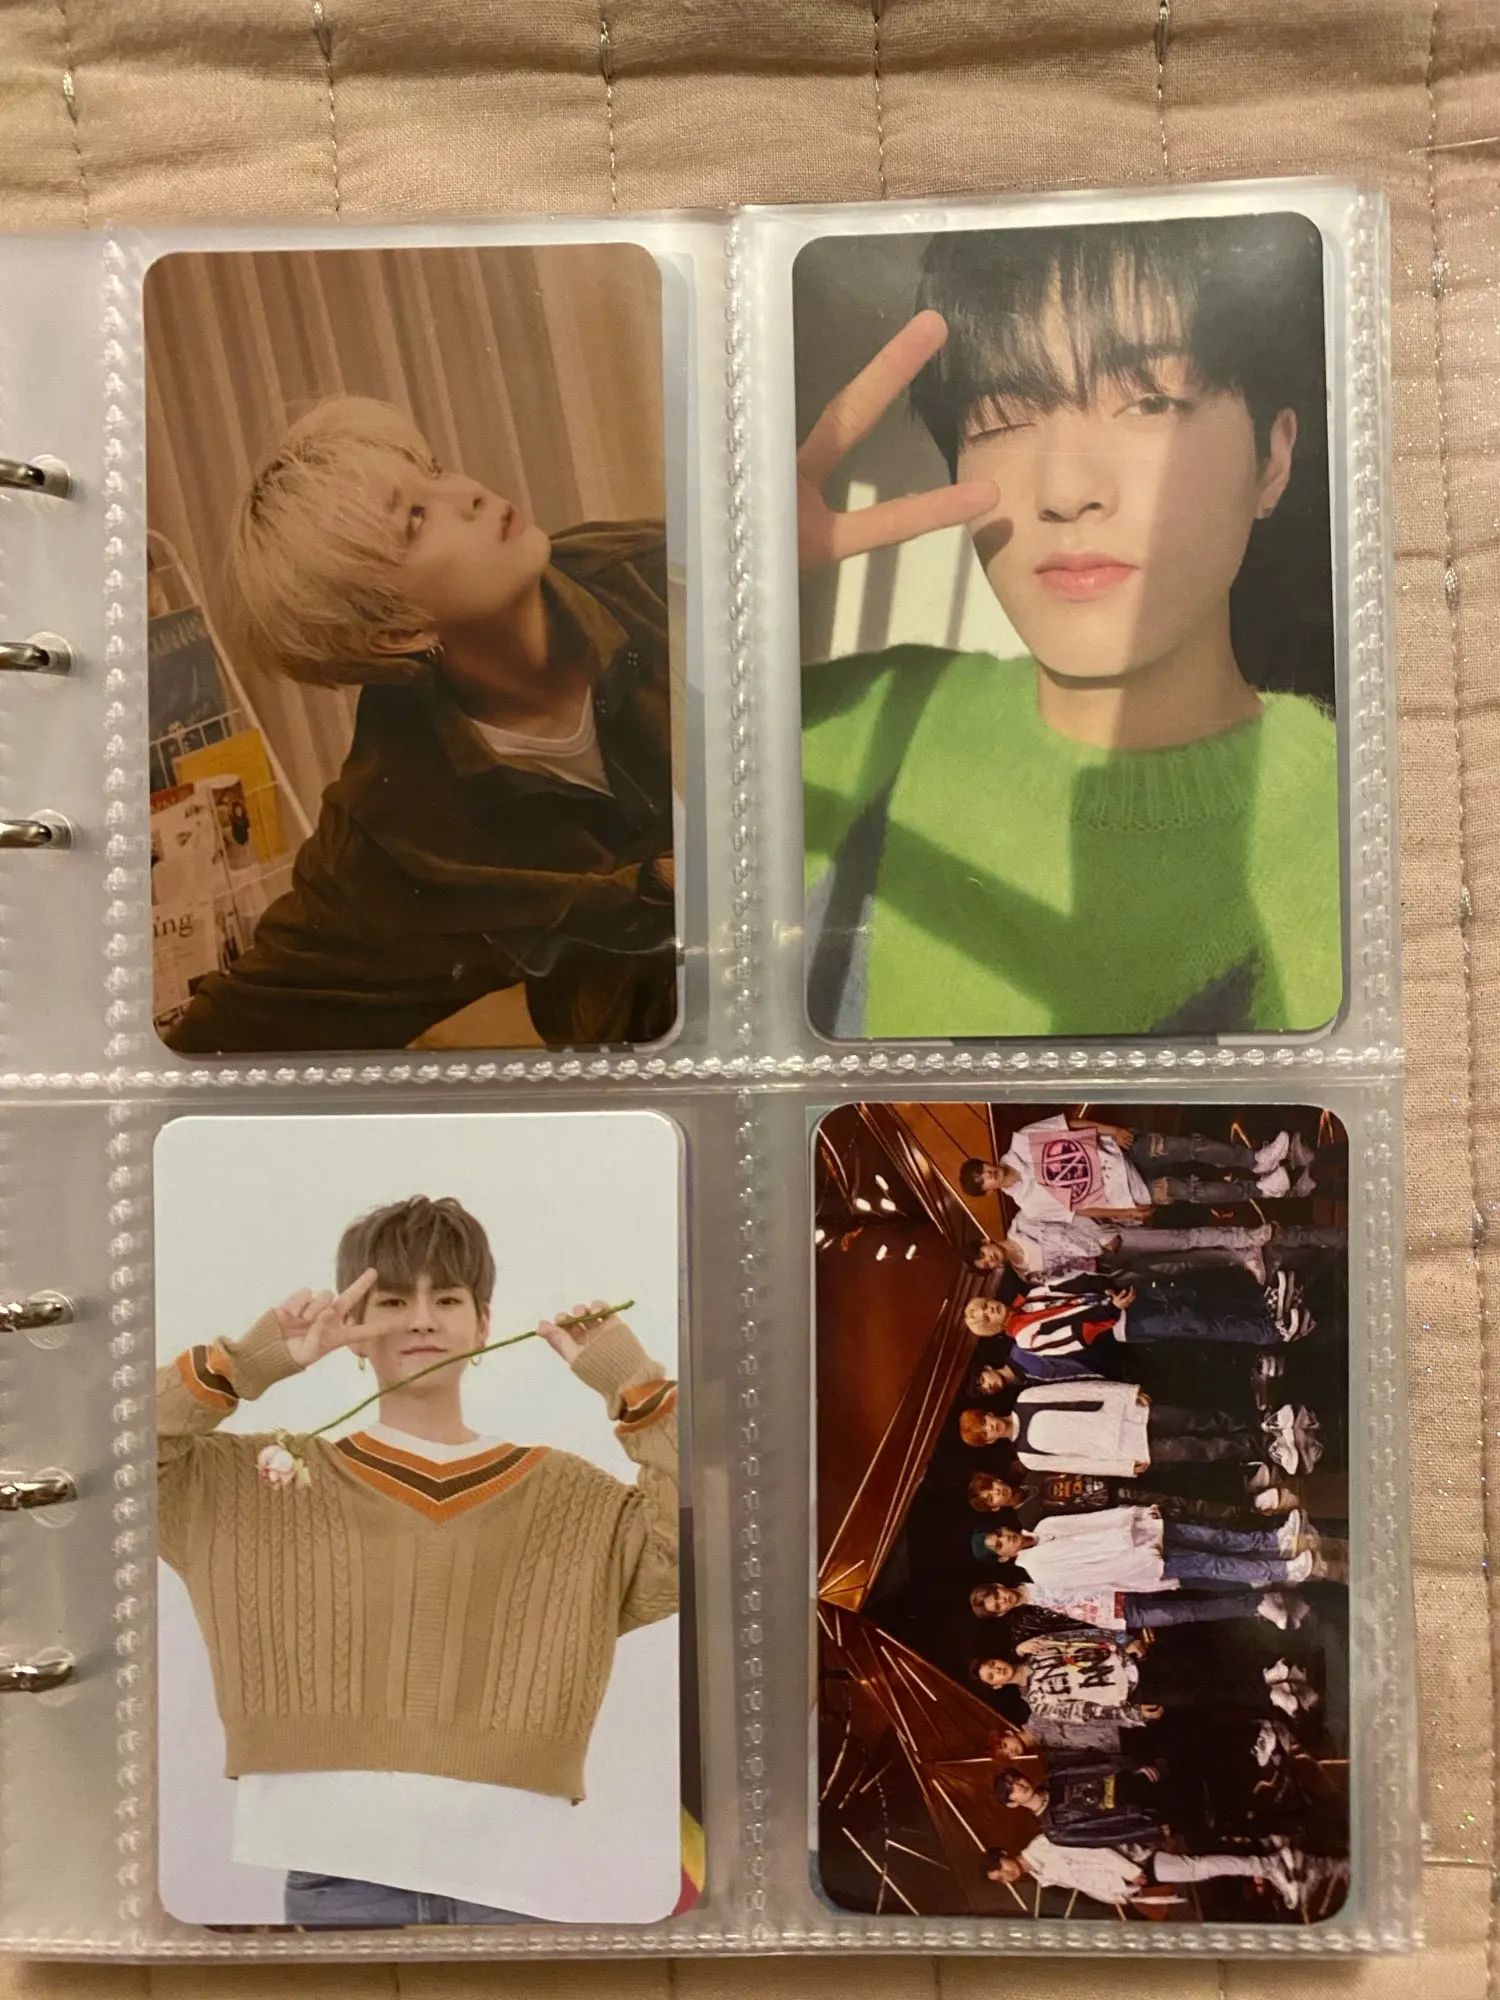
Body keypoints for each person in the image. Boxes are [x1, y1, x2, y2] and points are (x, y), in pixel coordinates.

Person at [801, 215, 1340, 1040]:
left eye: (1150, 400)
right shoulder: (859, 717)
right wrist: (710, 585)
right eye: (1003, 415)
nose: (1065, 491)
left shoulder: (1363, 831)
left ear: (1273, 459)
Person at [156, 1194, 678, 1928]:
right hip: (334, 1865)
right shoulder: (253, 1482)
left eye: (448, 1299)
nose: (423, 1320)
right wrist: (248, 1363)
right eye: (394, 1301)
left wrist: (637, 1387)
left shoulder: (572, 1498)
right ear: (354, 1331)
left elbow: (704, 1547)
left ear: (484, 1322)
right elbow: (113, 1460)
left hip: (514, 1870)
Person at [164, 398, 678, 1055]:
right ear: (398, 631)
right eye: (414, 517)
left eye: (434, 472)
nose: (467, 492)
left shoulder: (655, 573)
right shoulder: (392, 826)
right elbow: (244, 1021)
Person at [985, 1115, 1317, 1225]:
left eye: (983, 1169)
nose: (988, 1175)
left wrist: (1112, 1130)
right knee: (1193, 1191)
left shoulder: (1022, 1141)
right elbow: (1079, 1210)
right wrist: (1126, 1213)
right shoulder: (1029, 1205)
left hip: (1119, 1148)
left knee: (1190, 1147)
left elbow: (1069, 1124)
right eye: (983, 1181)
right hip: (1126, 1191)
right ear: (988, 1191)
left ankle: (1257, 1159)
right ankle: (1263, 1189)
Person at [966, 1376, 1303, 1474]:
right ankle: (1267, 1448)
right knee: (1203, 1450)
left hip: (1126, 1414)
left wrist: (1127, 1393)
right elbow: (1079, 1465)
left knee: (1198, 1418)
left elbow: (1081, 1390)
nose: (989, 1428)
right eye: (984, 1434)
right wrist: (1124, 1468)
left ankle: (1264, 1421)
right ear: (989, 1442)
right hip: (1126, 1449)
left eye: (984, 1422)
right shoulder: (1028, 1457)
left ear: (989, 1414)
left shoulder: (1027, 1399)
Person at [972, 1503, 1320, 1592]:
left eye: (999, 1533)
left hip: (1141, 1530)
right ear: (1003, 1557)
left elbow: (1094, 1520)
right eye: (999, 1545)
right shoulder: (1040, 1571)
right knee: (1212, 1564)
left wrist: (1136, 1513)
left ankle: (1275, 1542)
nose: (1006, 1539)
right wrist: (1140, 1558)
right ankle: (1285, 1570)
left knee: (1212, 1537)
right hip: (1144, 1560)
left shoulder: (1045, 1526)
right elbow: (1098, 1573)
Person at [1004, 1266, 1311, 1353]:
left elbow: (1077, 1281)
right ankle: (1271, 1331)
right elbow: (1077, 1335)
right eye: (984, 1317)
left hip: (1121, 1295)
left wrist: (1104, 1288)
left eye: (986, 1306)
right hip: (1122, 1322)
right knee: (1198, 1323)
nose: (989, 1310)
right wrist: (1109, 1310)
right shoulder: (1026, 1338)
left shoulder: (1033, 1296)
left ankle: (1264, 1306)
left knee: (1194, 1299)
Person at [984, 1832, 1304, 1911]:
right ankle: (1267, 1855)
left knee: (1199, 1867)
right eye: (1001, 1880)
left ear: (1003, 1855)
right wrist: (1119, 1895)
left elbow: (1093, 1850)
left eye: (1001, 1869)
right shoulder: (1041, 1876)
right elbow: (1086, 1881)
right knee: (1198, 1866)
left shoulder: (1042, 1846)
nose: (1006, 1876)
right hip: (1127, 1880)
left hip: (1132, 1862)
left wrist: (1129, 1871)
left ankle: (1269, 1863)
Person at [970, 1579, 1307, 1635]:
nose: (1002, 1601)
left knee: (1188, 1582)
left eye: (996, 1596)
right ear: (1001, 1612)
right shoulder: (1032, 1619)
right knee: (1187, 1612)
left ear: (999, 1586)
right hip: (1117, 1616)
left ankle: (1258, 1580)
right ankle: (1257, 1603)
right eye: (997, 1606)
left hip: (1120, 1585)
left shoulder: (1035, 1571)